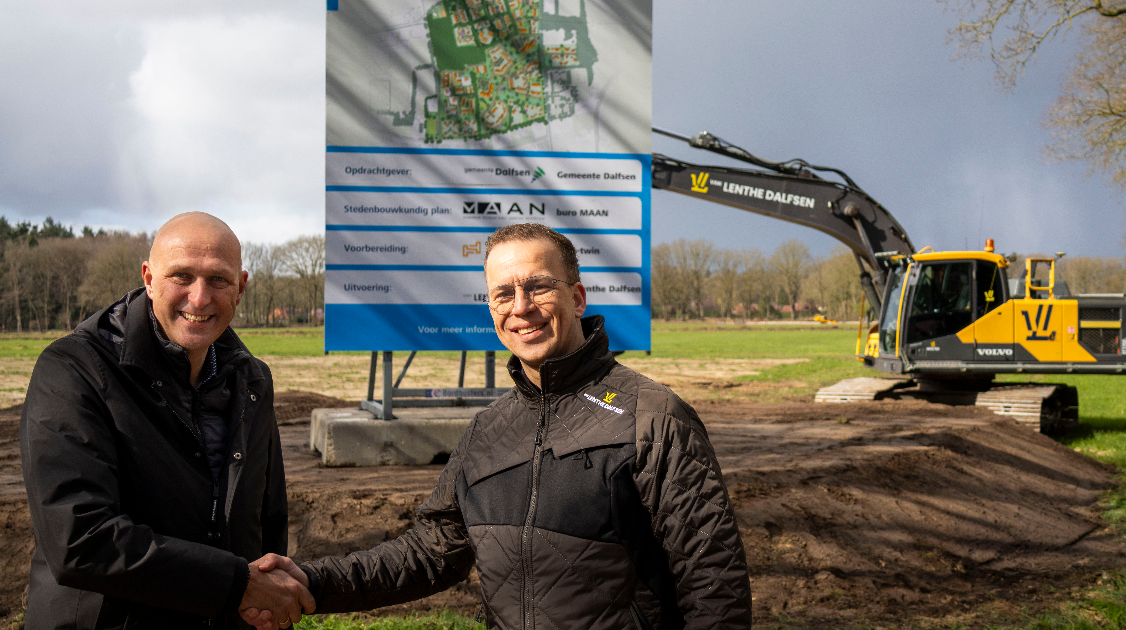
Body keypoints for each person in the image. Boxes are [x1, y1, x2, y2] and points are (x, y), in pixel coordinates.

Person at [250, 223, 752, 629]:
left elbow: (714, 581)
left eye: (538, 286)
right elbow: (429, 553)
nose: (521, 308)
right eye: (502, 294)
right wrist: (309, 582)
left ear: (577, 298)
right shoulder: (488, 430)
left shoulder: (653, 416)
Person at [20, 212, 313, 630]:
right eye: (181, 276)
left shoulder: (253, 379)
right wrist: (236, 585)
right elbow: (80, 540)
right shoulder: (72, 371)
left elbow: (267, 521)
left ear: (241, 287)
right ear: (148, 278)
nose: (199, 298)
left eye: (218, 280)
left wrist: (261, 602)